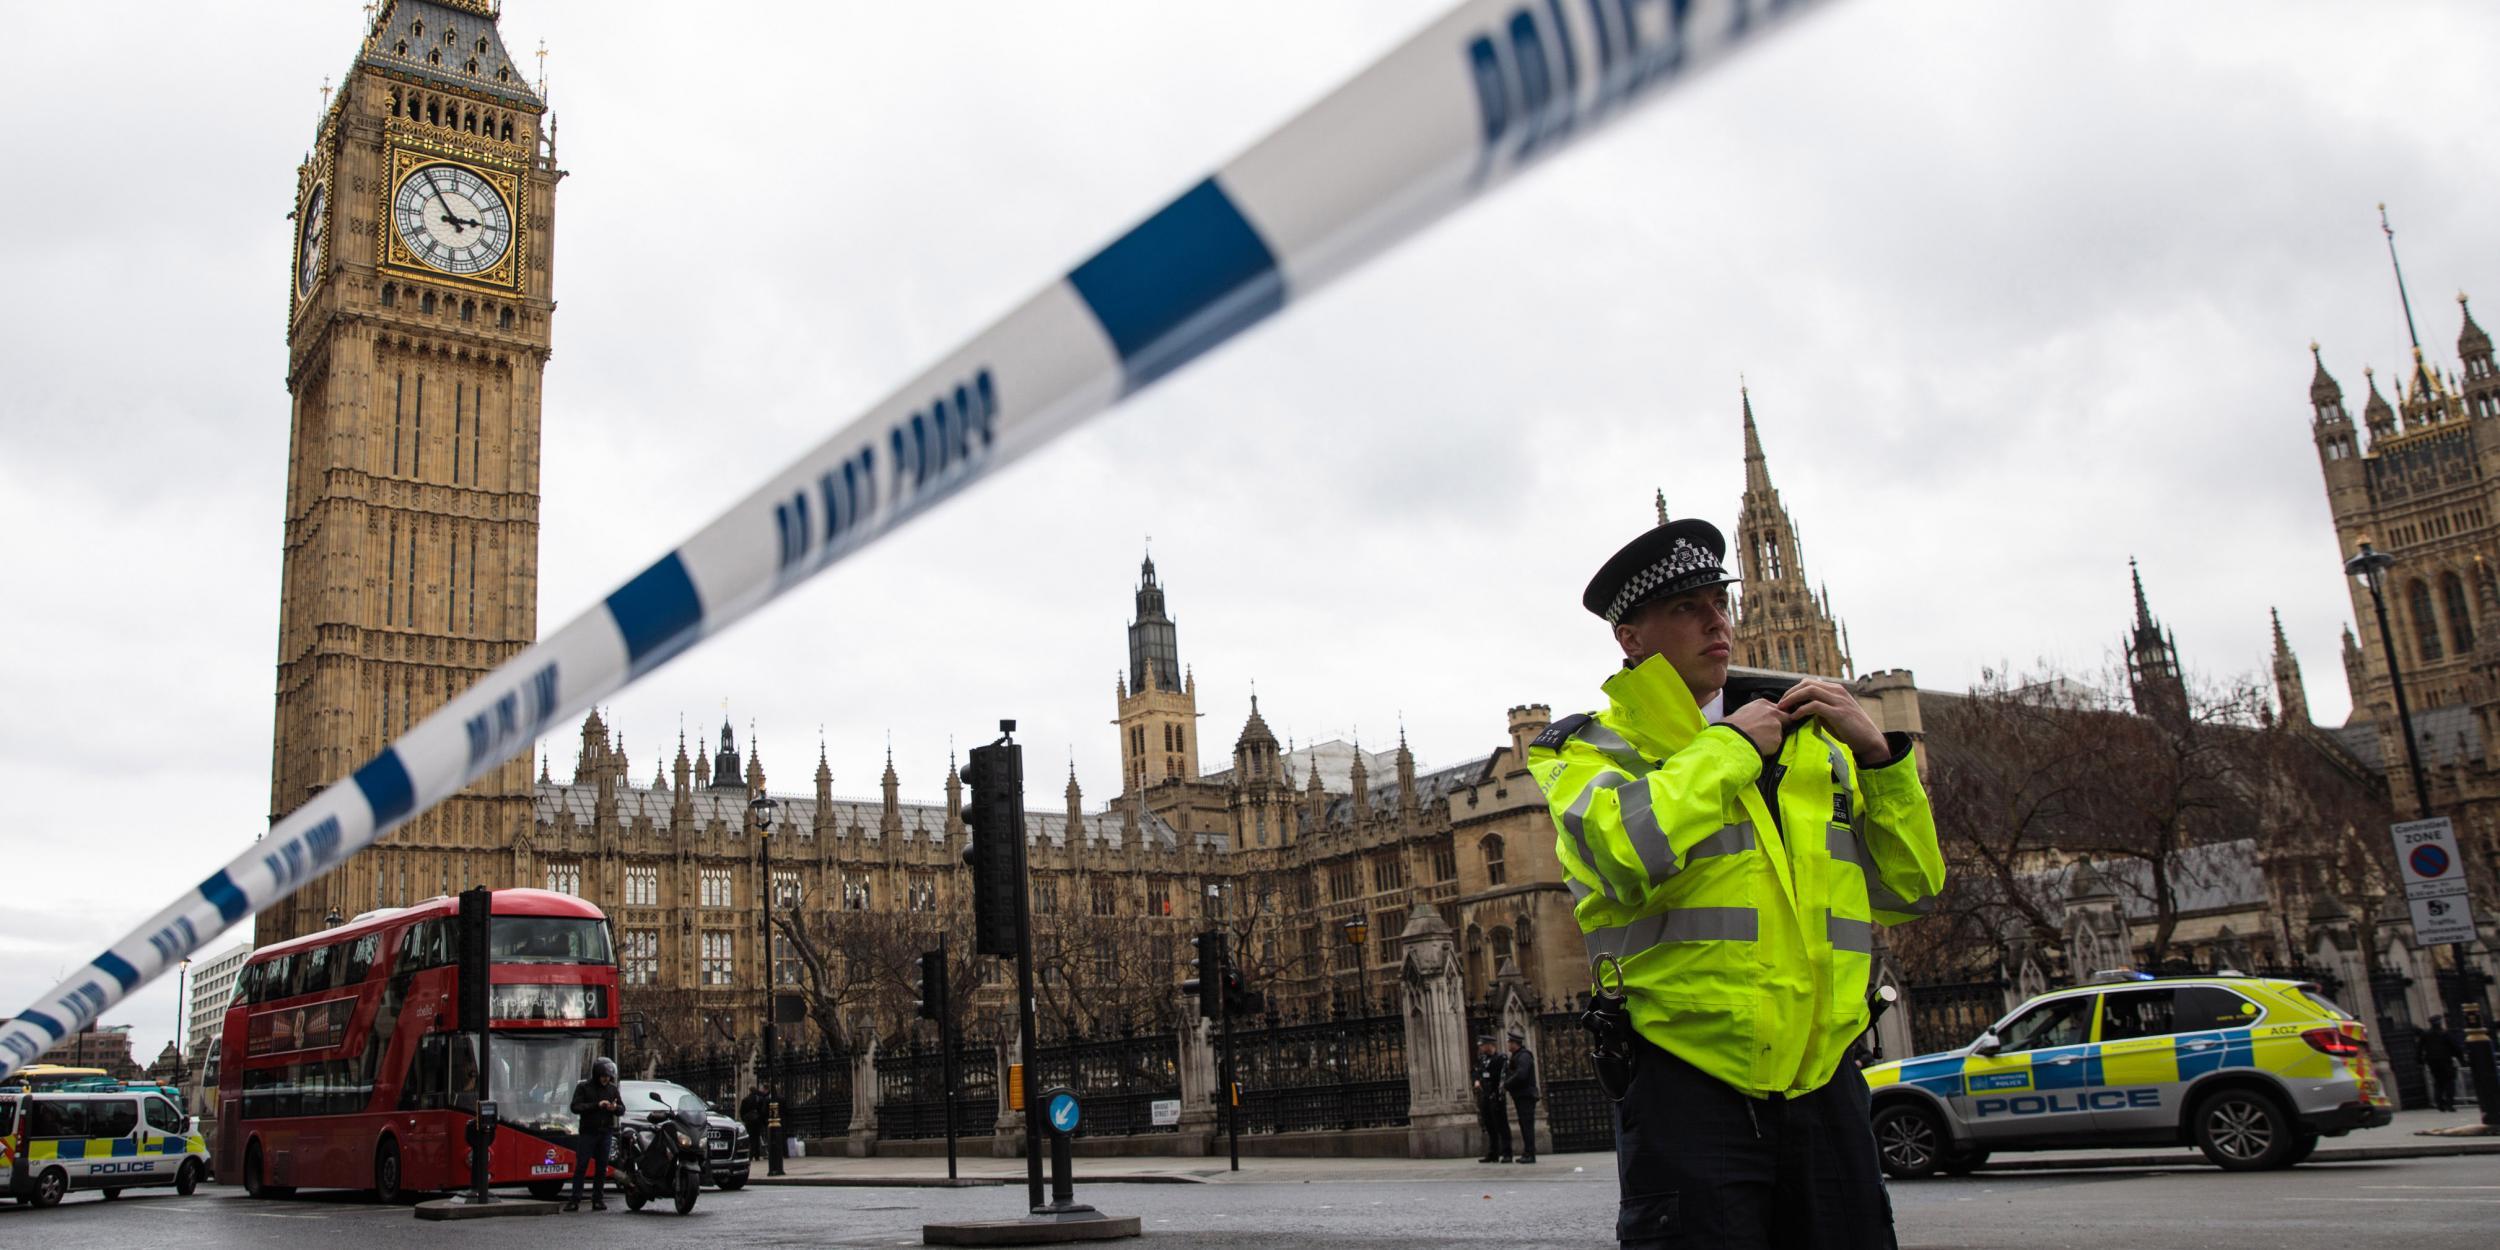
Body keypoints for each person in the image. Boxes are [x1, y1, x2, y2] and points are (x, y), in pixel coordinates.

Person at [1529, 517, 1944, 1249]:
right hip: (1690, 1089)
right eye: (1688, 608)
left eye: (1719, 602)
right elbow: (1620, 851)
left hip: (1826, 1084)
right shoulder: (1591, 749)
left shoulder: (1819, 743)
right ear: (1630, 637)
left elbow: (1912, 890)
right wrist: (1729, 749)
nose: (1716, 622)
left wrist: (1884, 761)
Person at [566, 1056, 622, 1212]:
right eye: (604, 1076)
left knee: (601, 1167)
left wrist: (614, 1108)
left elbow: (622, 1109)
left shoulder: (612, 1089)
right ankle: (574, 1199)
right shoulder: (584, 1087)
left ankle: (598, 1199)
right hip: (588, 1132)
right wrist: (596, 1105)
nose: (606, 1079)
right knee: (582, 1166)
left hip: (606, 1132)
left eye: (608, 1077)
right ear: (597, 1074)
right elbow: (575, 1107)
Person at [1473, 1034, 1513, 1163]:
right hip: (1485, 1095)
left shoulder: (1500, 1059)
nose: (1481, 1048)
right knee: (1489, 1125)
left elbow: (1503, 1076)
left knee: (1502, 1125)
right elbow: (1476, 1072)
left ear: (1490, 1045)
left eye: (1482, 1045)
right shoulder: (1482, 1059)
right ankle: (1493, 1153)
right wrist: (1477, 1080)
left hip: (1496, 1095)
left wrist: (1499, 1092)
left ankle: (1507, 1152)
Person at [1504, 1029, 1540, 1164]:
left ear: (1515, 1043)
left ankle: (1530, 1154)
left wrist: (1507, 1084)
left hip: (1526, 1096)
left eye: (1509, 1042)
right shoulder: (1518, 1055)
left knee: (1527, 1125)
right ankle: (1527, 1152)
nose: (1508, 1045)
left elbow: (1521, 1075)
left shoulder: (1524, 1056)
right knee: (1524, 1124)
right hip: (1522, 1096)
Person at [2420, 1016, 2462, 1113]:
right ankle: (2449, 1104)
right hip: (2446, 1061)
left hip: (2433, 1063)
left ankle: (2440, 1104)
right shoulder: (2445, 1034)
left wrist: (2420, 1062)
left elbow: (2420, 1049)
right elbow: (2455, 1047)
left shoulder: (2426, 1034)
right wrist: (2461, 1060)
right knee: (2450, 1082)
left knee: (2438, 1083)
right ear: (2440, 1022)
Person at [740, 1083, 770, 1158]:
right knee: (756, 1137)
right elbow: (762, 1110)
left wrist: (744, 1119)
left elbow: (741, 1111)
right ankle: (757, 1155)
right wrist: (760, 1118)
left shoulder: (745, 1099)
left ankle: (750, 1155)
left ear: (749, 1091)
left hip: (748, 1121)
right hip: (757, 1120)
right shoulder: (759, 1099)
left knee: (750, 1137)